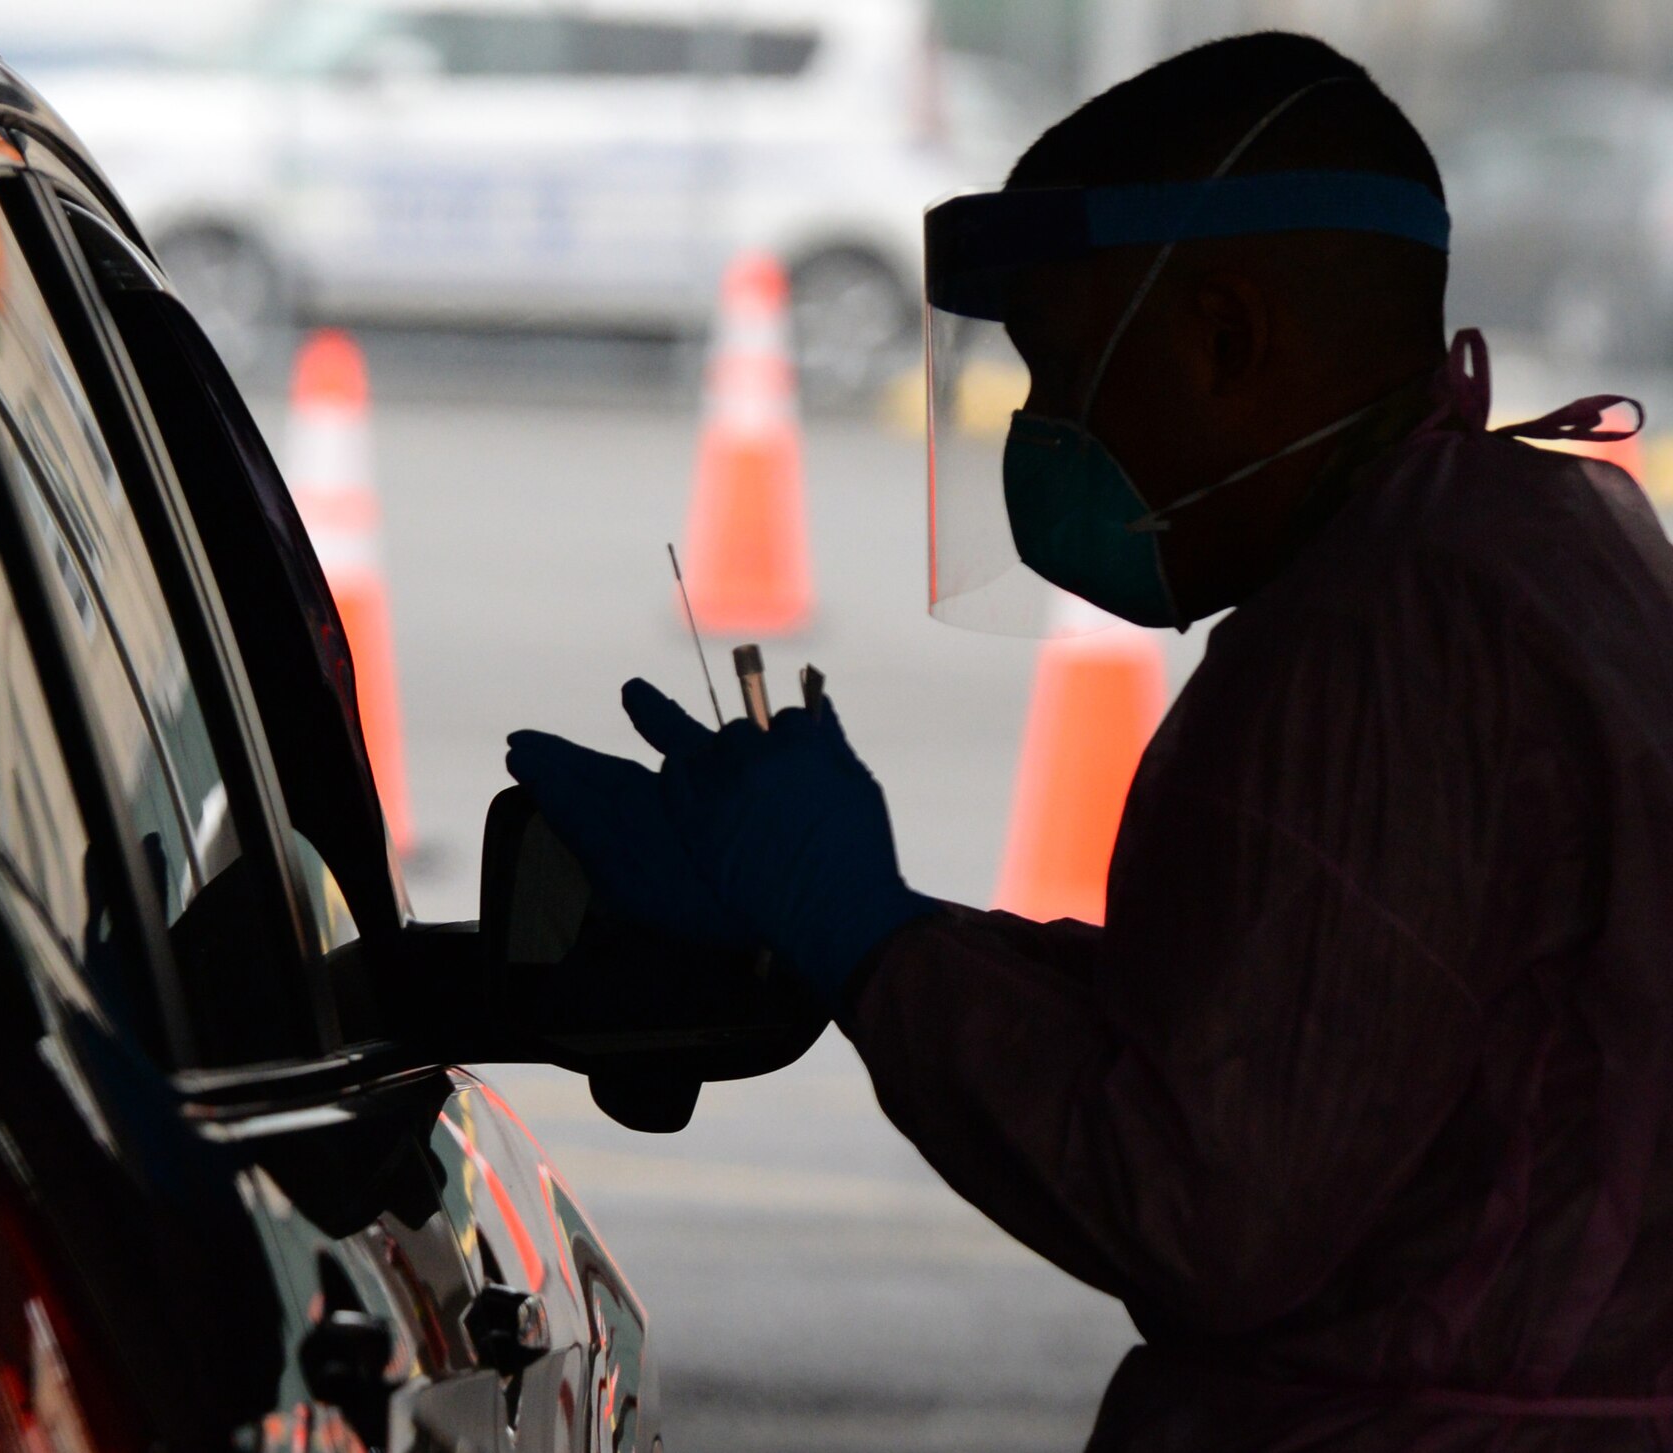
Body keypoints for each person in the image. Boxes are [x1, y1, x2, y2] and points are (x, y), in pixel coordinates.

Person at [505, 31, 1673, 1450]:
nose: (1042, 429)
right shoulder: (1522, 545)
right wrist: (880, 933)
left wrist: (870, 943)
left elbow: (1198, 1198)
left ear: (1229, 338)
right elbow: (1262, 1019)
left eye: (1065, 369)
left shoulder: (1377, 643)